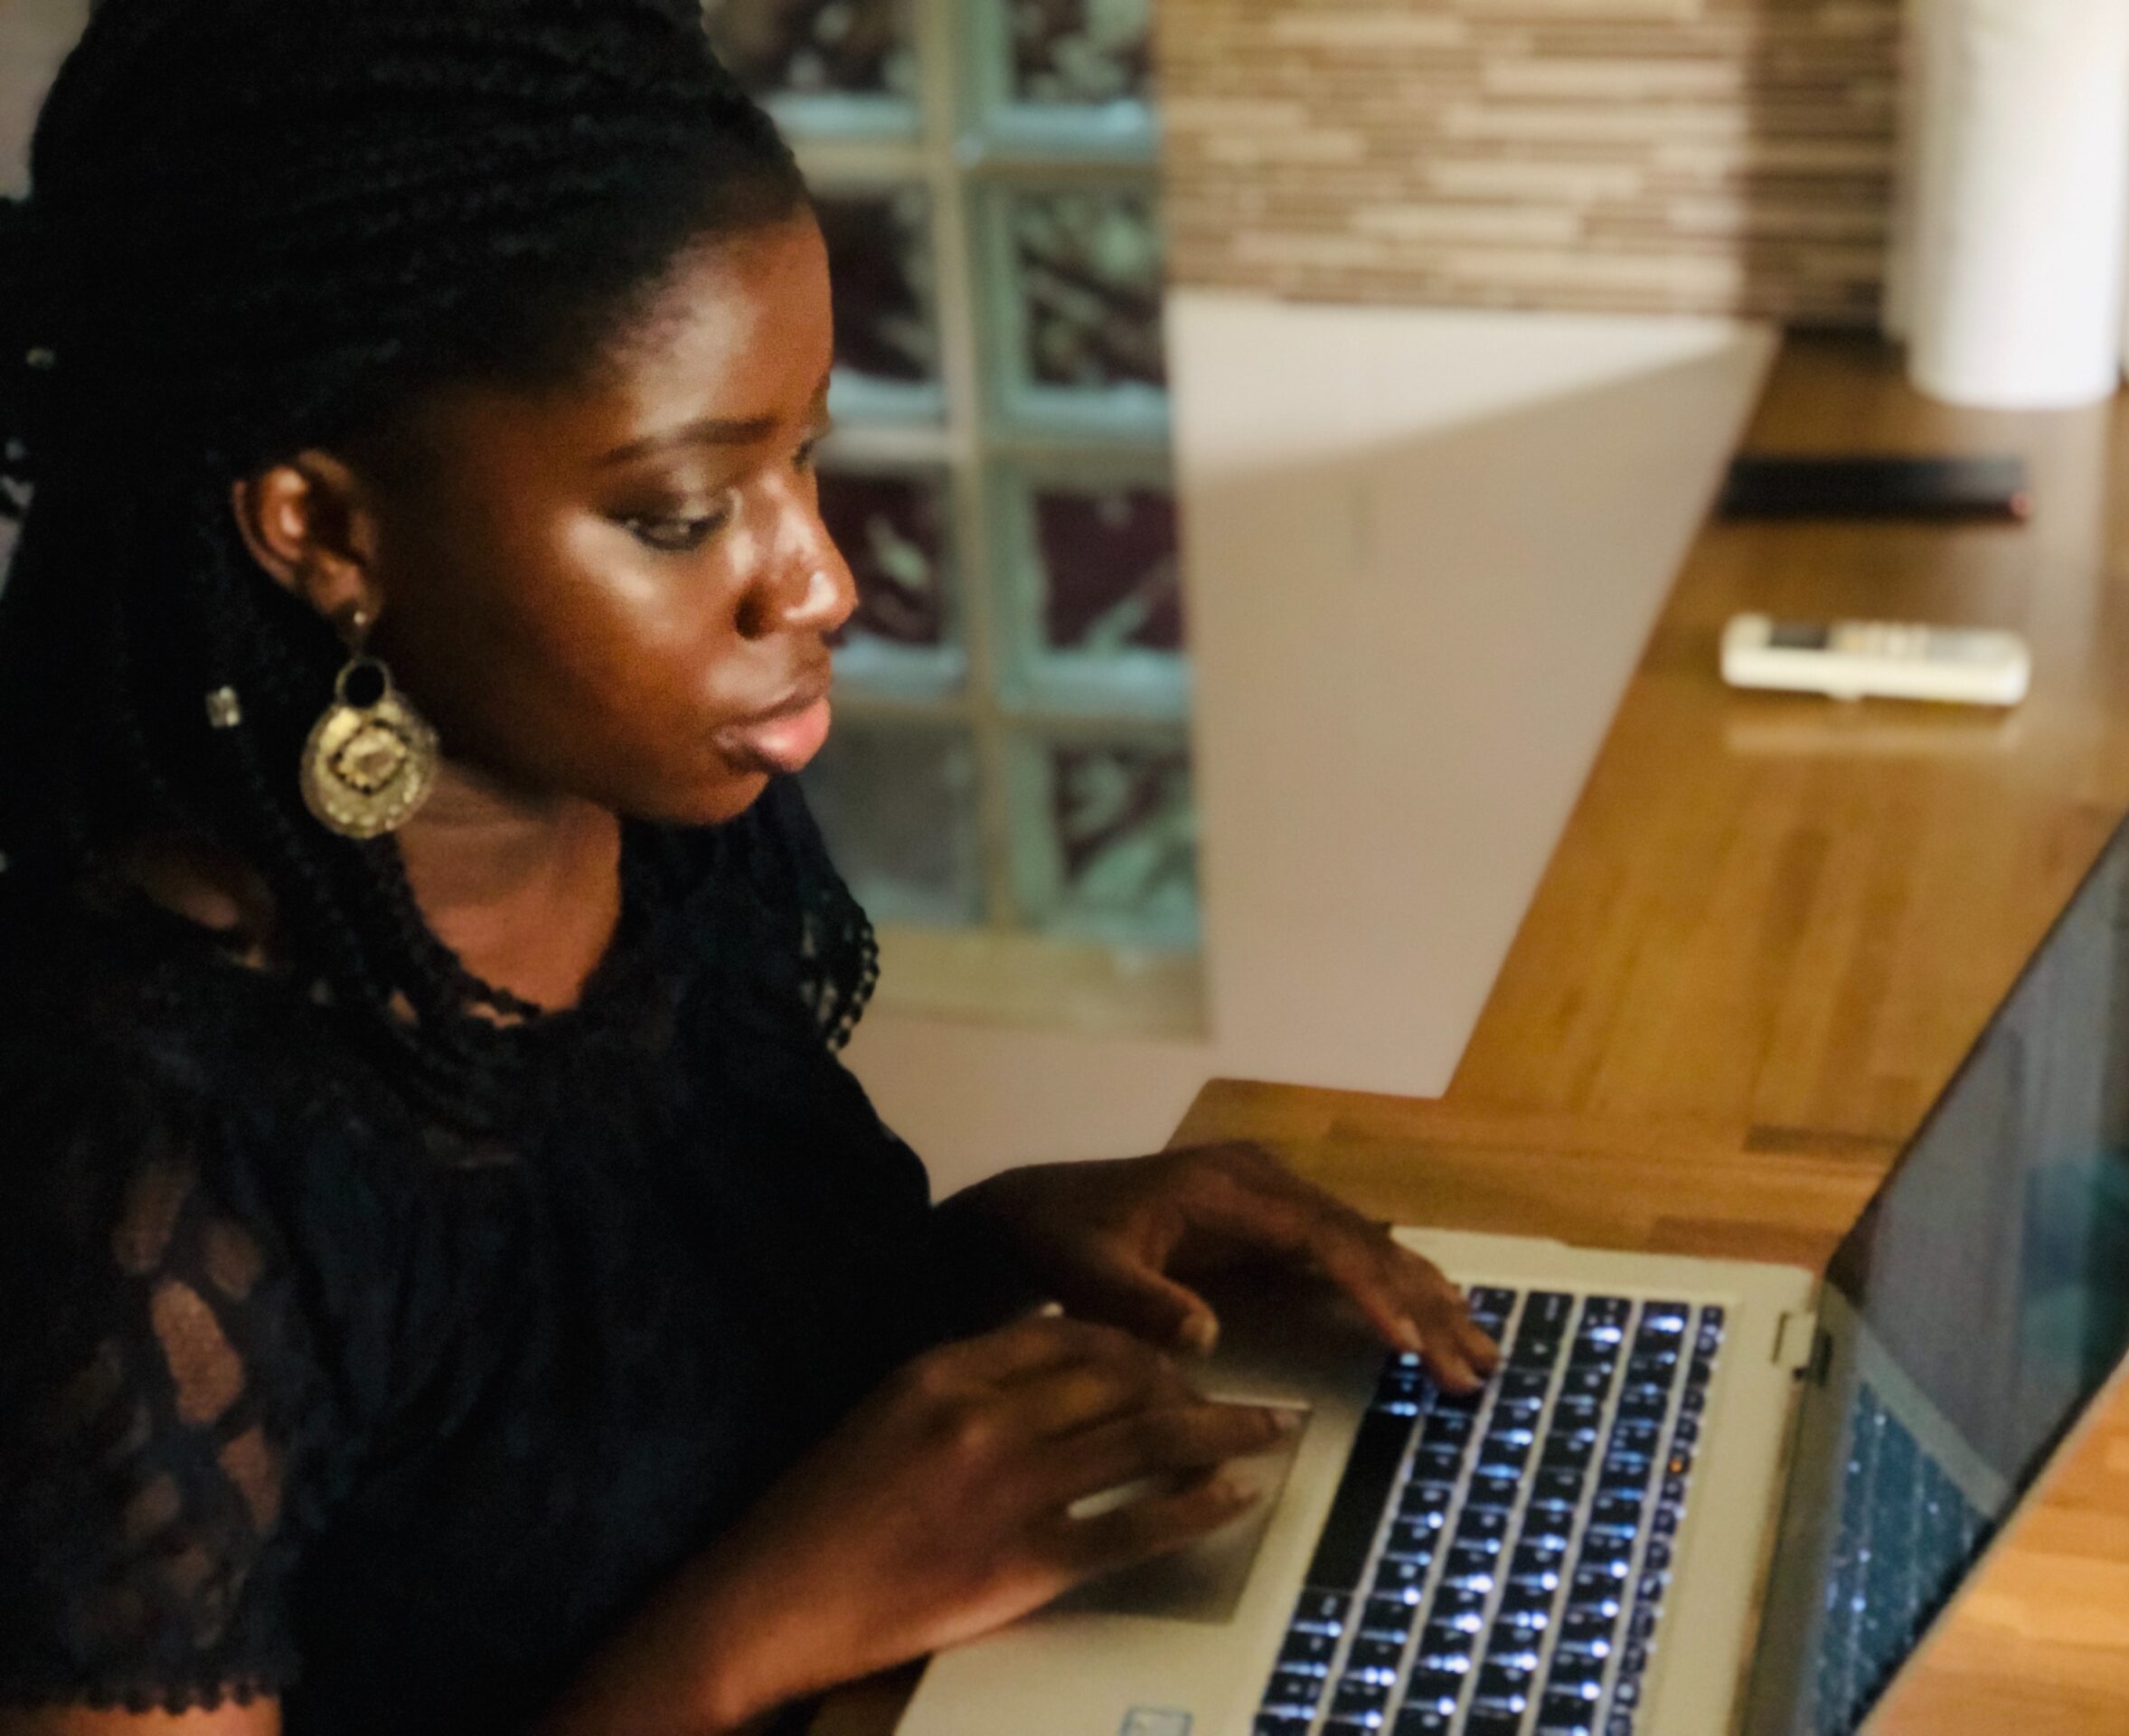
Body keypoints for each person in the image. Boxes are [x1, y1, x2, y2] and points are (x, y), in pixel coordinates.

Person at [0, 4, 1501, 1732]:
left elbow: (595, 1401)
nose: (819, 584)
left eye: (799, 456)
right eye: (681, 515)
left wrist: (1006, 1259)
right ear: (327, 530)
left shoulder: (639, 820)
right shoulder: (129, 1183)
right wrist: (750, 1635)